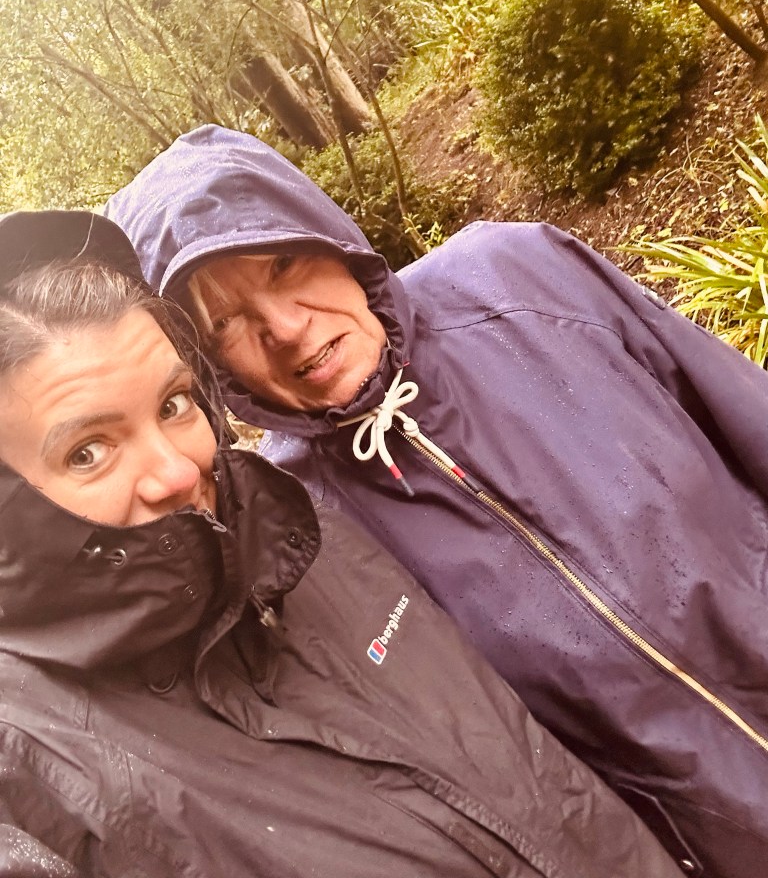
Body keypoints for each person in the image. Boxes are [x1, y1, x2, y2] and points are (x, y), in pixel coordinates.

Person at [108, 123, 768, 878]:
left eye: (284, 263)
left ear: (328, 238)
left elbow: (745, 416)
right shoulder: (298, 530)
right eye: (224, 323)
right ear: (206, 365)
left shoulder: (519, 278)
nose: (284, 328)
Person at [0, 208, 680, 878]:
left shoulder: (309, 538)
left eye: (174, 404)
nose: (178, 472)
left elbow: (535, 766)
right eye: (88, 452)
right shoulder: (26, 769)